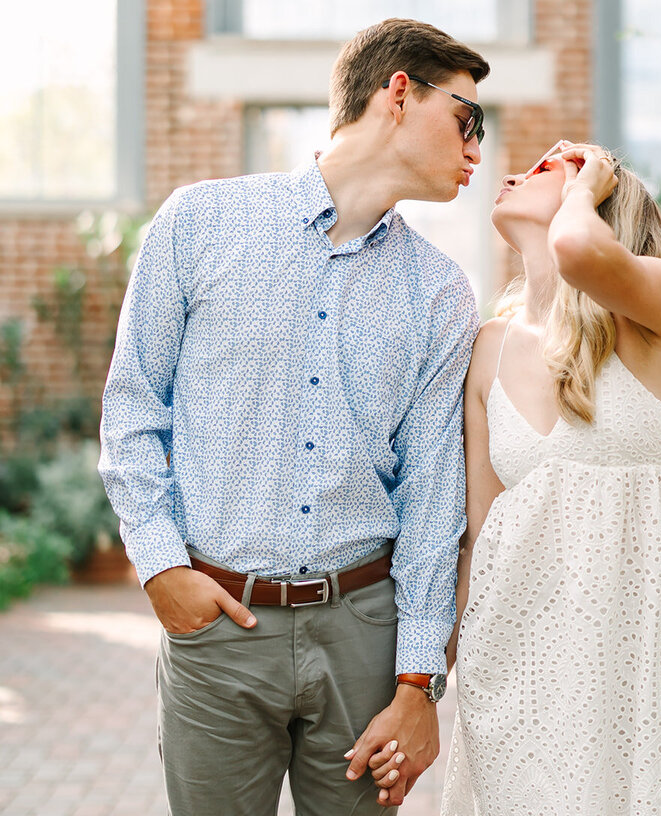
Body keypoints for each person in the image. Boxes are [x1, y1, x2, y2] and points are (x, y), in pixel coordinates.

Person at [97, 19, 488, 815]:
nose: (478, 147)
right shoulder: (199, 223)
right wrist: (163, 567)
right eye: (467, 118)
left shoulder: (442, 293)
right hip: (219, 628)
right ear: (399, 93)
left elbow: (433, 502)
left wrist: (418, 682)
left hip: (364, 639)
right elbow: (133, 406)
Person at [368, 139, 661, 813]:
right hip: (516, 681)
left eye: (547, 169)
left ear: (597, 203)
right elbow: (475, 542)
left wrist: (585, 182)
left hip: (637, 692)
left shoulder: (656, 311)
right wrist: (418, 696)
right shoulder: (488, 349)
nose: (512, 173)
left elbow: (576, 253)